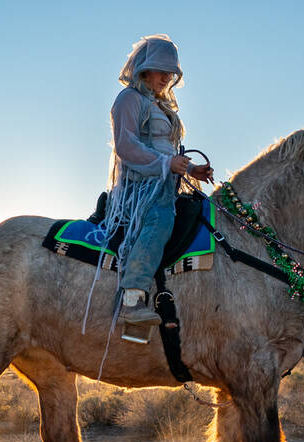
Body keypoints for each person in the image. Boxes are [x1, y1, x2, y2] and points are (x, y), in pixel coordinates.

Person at [99, 34, 213, 326]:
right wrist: (166, 163)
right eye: (161, 70)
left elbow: (166, 151)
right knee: (160, 221)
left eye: (170, 72)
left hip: (164, 183)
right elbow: (126, 147)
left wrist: (190, 171)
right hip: (141, 189)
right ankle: (132, 298)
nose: (166, 77)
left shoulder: (158, 105)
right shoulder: (129, 99)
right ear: (144, 69)